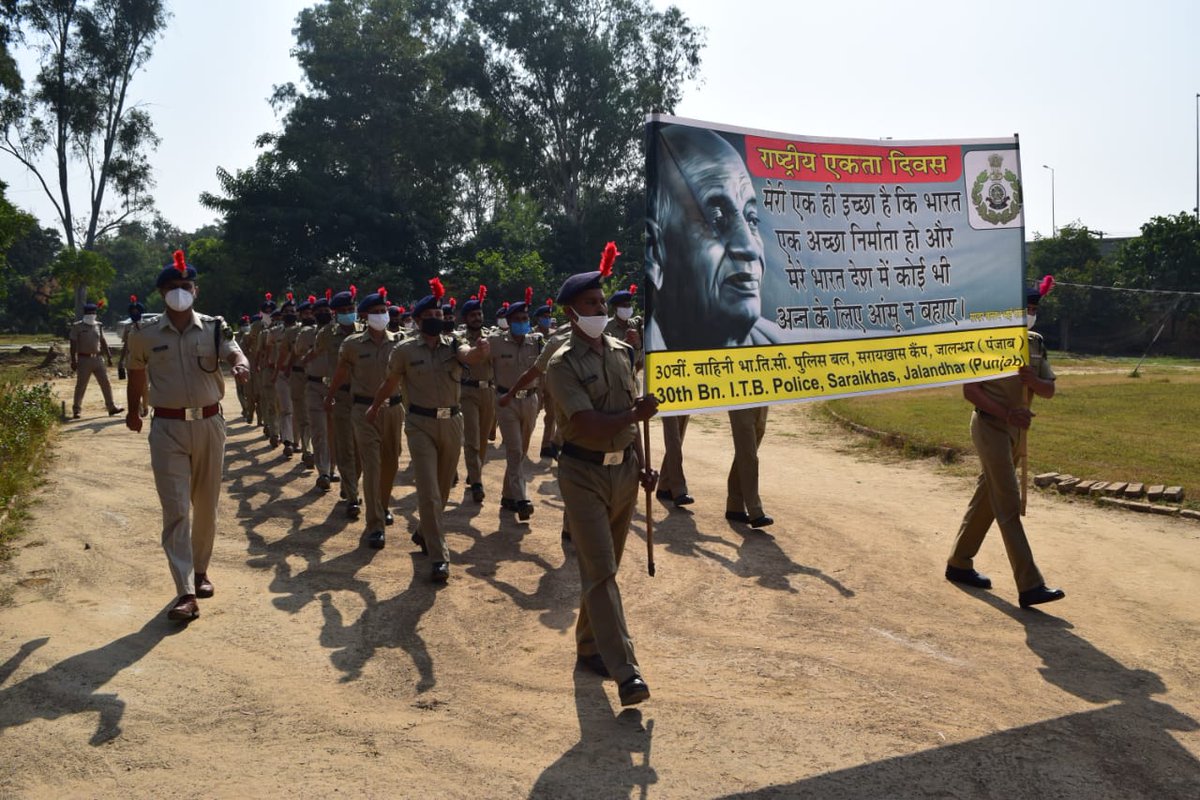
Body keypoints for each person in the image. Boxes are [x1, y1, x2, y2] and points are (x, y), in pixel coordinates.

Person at [544, 248, 659, 706]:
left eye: (602, 301)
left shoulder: (621, 352)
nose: (601, 309)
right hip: (582, 473)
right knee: (602, 570)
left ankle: (590, 646)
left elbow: (632, 422)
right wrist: (634, 413)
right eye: (592, 304)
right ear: (572, 312)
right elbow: (589, 422)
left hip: (624, 474)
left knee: (599, 573)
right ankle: (626, 670)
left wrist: (643, 460)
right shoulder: (561, 363)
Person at [124, 250, 250, 622]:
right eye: (173, 287)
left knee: (207, 505)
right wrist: (134, 410)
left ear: (195, 290)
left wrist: (240, 366)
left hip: (210, 424)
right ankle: (185, 590)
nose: (181, 291)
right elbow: (136, 375)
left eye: (186, 286)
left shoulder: (214, 326)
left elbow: (234, 353)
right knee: (176, 508)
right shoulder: (143, 334)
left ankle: (201, 570)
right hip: (167, 428)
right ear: (161, 292)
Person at [945, 284, 1065, 608]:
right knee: (1008, 503)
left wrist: (1033, 383)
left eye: (1034, 309)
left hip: (1016, 432)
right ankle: (1030, 584)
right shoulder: (985, 340)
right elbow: (971, 391)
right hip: (988, 425)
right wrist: (1008, 412)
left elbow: (1049, 389)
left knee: (988, 497)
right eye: (1026, 308)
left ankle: (959, 562)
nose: (1030, 314)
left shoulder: (1035, 344)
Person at [368, 279, 489, 582]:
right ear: (418, 320)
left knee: (444, 488)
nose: (437, 319)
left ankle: (424, 531)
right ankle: (439, 557)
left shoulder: (453, 344)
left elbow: (468, 356)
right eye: (431, 316)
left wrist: (480, 351)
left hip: (453, 422)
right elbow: (390, 382)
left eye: (440, 315)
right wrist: (374, 407)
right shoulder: (405, 351)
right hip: (420, 425)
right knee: (429, 492)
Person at [644, 125, 783, 351]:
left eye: (752, 220)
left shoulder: (801, 353)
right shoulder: (642, 358)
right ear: (655, 251)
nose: (749, 248)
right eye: (716, 218)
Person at [325, 290, 404, 548]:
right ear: (365, 316)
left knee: (391, 462)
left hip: (393, 409)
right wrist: (330, 396)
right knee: (372, 464)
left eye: (384, 311)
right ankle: (375, 524)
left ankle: (382, 504)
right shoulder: (352, 345)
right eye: (376, 312)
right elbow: (340, 372)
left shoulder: (400, 341)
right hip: (363, 410)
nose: (382, 316)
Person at [489, 294, 542, 520]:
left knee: (521, 452)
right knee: (515, 449)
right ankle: (522, 499)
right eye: (518, 318)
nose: (523, 322)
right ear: (509, 322)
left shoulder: (536, 341)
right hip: (505, 401)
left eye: (525, 317)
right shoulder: (495, 342)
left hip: (530, 401)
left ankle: (508, 495)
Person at [316, 290, 361, 512]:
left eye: (350, 310)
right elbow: (317, 352)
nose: (347, 314)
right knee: (345, 447)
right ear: (335, 313)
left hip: (363, 397)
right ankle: (353, 496)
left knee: (360, 448)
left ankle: (349, 482)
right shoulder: (326, 334)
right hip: (341, 396)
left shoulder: (365, 332)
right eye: (342, 311)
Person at [458, 290, 496, 504]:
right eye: (472, 315)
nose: (477, 318)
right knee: (472, 438)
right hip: (467, 392)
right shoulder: (459, 338)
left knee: (482, 439)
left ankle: (475, 472)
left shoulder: (492, 336)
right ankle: (477, 482)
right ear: (465, 318)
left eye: (479, 314)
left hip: (488, 391)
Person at [297, 295, 333, 489]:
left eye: (326, 310)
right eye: (317, 312)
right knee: (319, 431)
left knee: (336, 431)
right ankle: (324, 472)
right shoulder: (306, 334)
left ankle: (335, 469)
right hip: (314, 386)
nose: (322, 314)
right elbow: (298, 353)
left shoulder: (340, 333)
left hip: (336, 389)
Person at [68, 300, 123, 419]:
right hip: (84, 359)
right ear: (85, 313)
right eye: (89, 312)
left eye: (93, 312)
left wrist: (108, 356)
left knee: (106, 383)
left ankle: (111, 407)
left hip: (98, 358)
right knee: (81, 385)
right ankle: (76, 410)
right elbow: (73, 344)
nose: (91, 314)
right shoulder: (77, 326)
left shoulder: (98, 325)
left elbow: (102, 341)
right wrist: (73, 360)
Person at [725, 406, 772, 528]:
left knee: (748, 450)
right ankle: (755, 511)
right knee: (748, 454)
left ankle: (735, 506)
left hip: (760, 396)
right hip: (739, 397)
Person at [118, 296, 149, 418]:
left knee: (145, 385)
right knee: (133, 384)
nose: (134, 313)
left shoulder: (147, 325)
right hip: (131, 358)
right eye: (132, 312)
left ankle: (145, 406)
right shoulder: (128, 327)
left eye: (137, 311)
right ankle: (138, 407)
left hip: (145, 359)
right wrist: (121, 360)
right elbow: (125, 344)